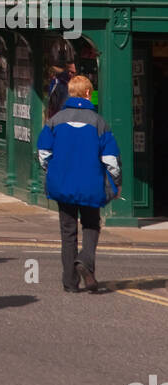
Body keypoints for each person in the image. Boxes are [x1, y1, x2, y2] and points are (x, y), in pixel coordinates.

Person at [37, 74, 121, 293]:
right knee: (91, 225)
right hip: (91, 185)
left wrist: (52, 171)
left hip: (62, 185)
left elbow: (43, 153)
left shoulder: (54, 121)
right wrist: (116, 182)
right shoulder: (99, 122)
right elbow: (111, 160)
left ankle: (70, 282)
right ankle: (85, 261)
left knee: (68, 232)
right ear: (87, 93)